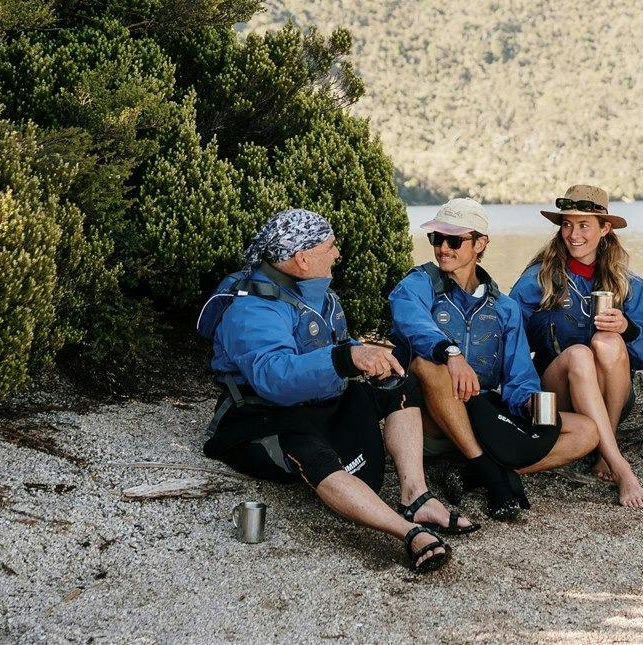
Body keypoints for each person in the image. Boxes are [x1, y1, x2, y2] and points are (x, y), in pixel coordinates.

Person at [196, 208, 461, 573]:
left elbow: (331, 341)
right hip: (261, 413)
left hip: (316, 399)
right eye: (330, 246)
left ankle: (416, 496)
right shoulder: (253, 308)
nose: (337, 253)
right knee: (309, 450)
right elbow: (273, 376)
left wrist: (365, 355)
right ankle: (408, 532)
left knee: (398, 384)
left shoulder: (312, 291)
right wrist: (346, 358)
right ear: (302, 258)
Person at [388, 197, 599, 522]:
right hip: (429, 422)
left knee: (586, 431)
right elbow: (409, 319)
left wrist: (529, 404)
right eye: (436, 238)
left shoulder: (504, 307)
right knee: (427, 365)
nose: (443, 248)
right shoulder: (418, 283)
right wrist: (450, 352)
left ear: (480, 243)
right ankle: (490, 473)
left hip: (483, 418)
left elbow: (519, 377)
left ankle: (472, 471)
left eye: (454, 240)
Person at [509, 185, 643, 509]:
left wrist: (628, 328)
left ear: (605, 228)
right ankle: (619, 464)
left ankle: (603, 449)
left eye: (584, 225)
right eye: (567, 224)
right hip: (559, 393)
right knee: (580, 353)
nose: (573, 234)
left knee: (606, 342)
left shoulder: (628, 283)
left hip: (613, 397)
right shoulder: (538, 278)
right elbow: (508, 337)